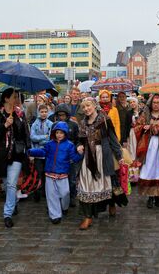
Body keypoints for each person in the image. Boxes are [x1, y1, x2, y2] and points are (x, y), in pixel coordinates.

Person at [76, 97, 124, 230]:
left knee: (108, 183)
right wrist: (79, 146)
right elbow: (80, 140)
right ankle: (88, 217)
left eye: (88, 106)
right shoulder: (82, 123)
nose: (86, 109)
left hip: (103, 155)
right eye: (84, 107)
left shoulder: (104, 120)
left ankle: (111, 203)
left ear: (94, 105)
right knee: (87, 185)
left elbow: (113, 139)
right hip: (88, 157)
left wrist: (119, 156)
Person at [0, 88, 31, 228]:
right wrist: (5, 125)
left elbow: (25, 134)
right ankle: (14, 203)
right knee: (7, 185)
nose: (16, 99)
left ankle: (7, 214)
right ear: (6, 99)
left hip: (16, 154)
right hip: (1, 154)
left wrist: (28, 151)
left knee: (12, 183)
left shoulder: (20, 114)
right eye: (14, 96)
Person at [28, 122, 84, 224]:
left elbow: (74, 158)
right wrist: (31, 151)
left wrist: (80, 154)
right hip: (49, 173)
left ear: (65, 134)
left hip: (63, 174)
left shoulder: (69, 145)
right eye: (57, 132)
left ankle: (64, 207)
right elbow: (43, 152)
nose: (59, 135)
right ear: (54, 133)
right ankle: (55, 215)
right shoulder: (49, 144)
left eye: (61, 133)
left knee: (65, 193)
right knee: (51, 195)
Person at [51, 103, 80, 206]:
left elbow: (78, 140)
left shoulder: (74, 125)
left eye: (63, 115)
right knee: (58, 179)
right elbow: (52, 140)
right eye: (59, 115)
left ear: (67, 115)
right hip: (59, 157)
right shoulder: (54, 125)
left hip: (70, 156)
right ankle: (59, 198)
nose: (61, 117)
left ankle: (72, 197)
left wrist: (76, 150)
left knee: (71, 179)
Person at [30, 104, 53, 202]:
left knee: (46, 173)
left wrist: (40, 140)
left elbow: (51, 138)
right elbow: (32, 137)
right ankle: (37, 191)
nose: (43, 114)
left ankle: (46, 192)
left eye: (45, 112)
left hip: (47, 153)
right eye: (42, 112)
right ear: (39, 112)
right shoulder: (35, 124)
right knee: (38, 173)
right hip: (38, 153)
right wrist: (44, 137)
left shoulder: (51, 124)